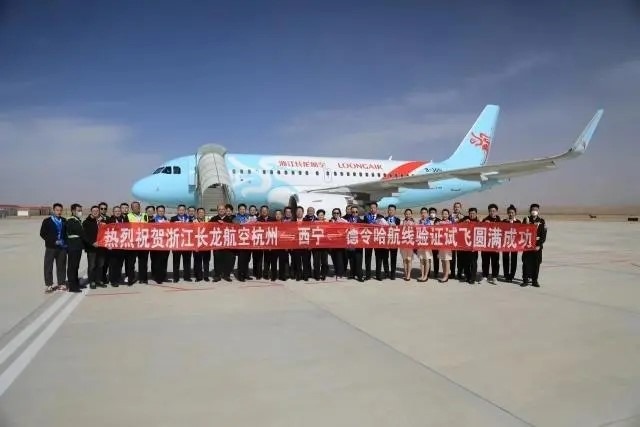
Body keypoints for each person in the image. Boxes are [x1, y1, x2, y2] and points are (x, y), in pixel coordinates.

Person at [40, 203, 68, 293]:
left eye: (60, 210)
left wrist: (66, 244)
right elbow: (43, 234)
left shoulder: (64, 220)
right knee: (48, 266)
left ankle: (61, 283)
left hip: (62, 248)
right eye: (57, 210)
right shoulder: (47, 221)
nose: (59, 212)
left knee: (61, 266)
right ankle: (49, 285)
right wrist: (53, 241)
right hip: (51, 247)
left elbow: (66, 234)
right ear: (53, 210)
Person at [66, 203, 91, 293]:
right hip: (73, 246)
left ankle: (76, 283)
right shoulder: (71, 220)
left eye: (81, 210)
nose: (80, 212)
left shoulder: (77, 220)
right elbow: (81, 233)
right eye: (78, 210)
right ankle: (72, 286)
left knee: (76, 266)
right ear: (73, 211)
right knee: (72, 266)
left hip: (77, 246)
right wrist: (91, 243)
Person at [522, 203, 547, 287]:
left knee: (536, 264)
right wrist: (526, 224)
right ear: (530, 210)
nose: (534, 211)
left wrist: (539, 245)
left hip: (537, 246)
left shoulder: (542, 221)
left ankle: (534, 281)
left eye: (536, 210)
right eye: (533, 209)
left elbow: (543, 235)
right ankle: (525, 280)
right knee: (526, 263)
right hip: (527, 246)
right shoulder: (526, 219)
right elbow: (521, 232)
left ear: (538, 211)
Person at [210, 203, 234, 281]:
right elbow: (208, 228)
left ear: (225, 210)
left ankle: (226, 275)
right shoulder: (213, 219)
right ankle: (217, 275)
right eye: (219, 209)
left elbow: (234, 229)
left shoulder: (230, 219)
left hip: (227, 243)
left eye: (223, 209)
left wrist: (224, 224)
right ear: (217, 210)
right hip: (217, 243)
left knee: (228, 259)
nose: (221, 210)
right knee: (217, 259)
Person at [83, 205, 105, 289]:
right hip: (91, 248)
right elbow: (84, 235)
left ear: (99, 212)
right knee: (92, 265)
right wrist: (92, 243)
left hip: (101, 247)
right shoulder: (86, 222)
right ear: (91, 212)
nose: (95, 212)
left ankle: (98, 280)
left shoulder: (103, 221)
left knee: (100, 265)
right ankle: (91, 281)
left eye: (97, 211)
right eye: (94, 211)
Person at [106, 206, 128, 286]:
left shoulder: (124, 220)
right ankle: (113, 280)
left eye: (119, 211)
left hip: (121, 245)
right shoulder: (109, 220)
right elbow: (106, 231)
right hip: (113, 245)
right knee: (113, 264)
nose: (117, 212)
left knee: (120, 263)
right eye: (116, 211)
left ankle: (118, 277)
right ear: (113, 212)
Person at [364, 202, 385, 280]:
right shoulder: (366, 217)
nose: (372, 209)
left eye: (374, 208)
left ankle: (378, 275)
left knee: (379, 257)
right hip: (368, 239)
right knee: (367, 258)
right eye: (371, 208)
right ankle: (368, 275)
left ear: (376, 208)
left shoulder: (381, 217)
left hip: (377, 239)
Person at [481, 203, 501, 284]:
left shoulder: (499, 220)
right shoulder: (485, 220)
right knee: (485, 261)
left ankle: (494, 277)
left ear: (496, 211)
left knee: (495, 262)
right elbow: (480, 230)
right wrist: (484, 224)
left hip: (495, 244)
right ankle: (485, 276)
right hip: (486, 245)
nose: (492, 212)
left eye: (494, 211)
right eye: (490, 211)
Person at [343, 205, 364, 282]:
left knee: (358, 260)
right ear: (351, 212)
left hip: (358, 243)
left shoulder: (361, 221)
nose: (354, 213)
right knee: (351, 260)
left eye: (356, 212)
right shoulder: (347, 221)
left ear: (358, 212)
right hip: (350, 243)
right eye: (353, 212)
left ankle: (360, 275)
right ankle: (352, 274)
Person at [127, 201, 145, 284]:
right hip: (133, 242)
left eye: (137, 206)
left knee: (142, 261)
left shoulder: (145, 215)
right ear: (131, 208)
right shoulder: (128, 216)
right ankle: (131, 278)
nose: (136, 208)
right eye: (134, 207)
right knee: (131, 262)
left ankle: (142, 278)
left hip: (143, 242)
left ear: (139, 207)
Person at [291, 206, 312, 281]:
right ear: (296, 213)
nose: (299, 212)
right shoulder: (292, 221)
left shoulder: (307, 221)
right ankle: (298, 275)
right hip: (296, 245)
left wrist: (310, 244)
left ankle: (305, 275)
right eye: (297, 211)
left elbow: (311, 232)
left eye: (300, 211)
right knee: (297, 261)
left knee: (306, 261)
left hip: (305, 244)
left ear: (303, 212)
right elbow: (290, 233)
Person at [461, 208, 480, 284]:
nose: (472, 215)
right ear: (468, 214)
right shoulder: (465, 219)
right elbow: (457, 225)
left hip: (474, 246)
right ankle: (467, 276)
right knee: (466, 262)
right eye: (470, 213)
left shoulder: (478, 222)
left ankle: (473, 278)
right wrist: (464, 222)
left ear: (476, 214)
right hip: (466, 245)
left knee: (473, 262)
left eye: (473, 213)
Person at [502, 205, 521, 282]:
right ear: (507, 213)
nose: (511, 214)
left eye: (512, 212)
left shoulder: (518, 222)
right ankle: (506, 275)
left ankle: (512, 275)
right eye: (509, 212)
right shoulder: (504, 221)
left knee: (514, 260)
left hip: (514, 244)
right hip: (506, 243)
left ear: (515, 213)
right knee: (505, 259)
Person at [151, 206, 169, 284]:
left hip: (165, 244)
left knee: (164, 261)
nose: (161, 212)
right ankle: (157, 277)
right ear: (156, 212)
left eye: (162, 211)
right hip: (155, 244)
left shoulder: (167, 221)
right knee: (157, 261)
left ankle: (163, 276)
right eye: (159, 211)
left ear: (164, 212)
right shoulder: (152, 221)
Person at [233, 204, 252, 281]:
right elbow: (234, 228)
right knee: (241, 259)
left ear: (245, 210)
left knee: (247, 259)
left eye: (243, 209)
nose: (242, 210)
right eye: (241, 209)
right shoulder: (236, 219)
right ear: (238, 210)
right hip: (240, 242)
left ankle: (246, 274)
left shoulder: (248, 218)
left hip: (248, 242)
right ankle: (240, 275)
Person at [192, 208, 211, 282]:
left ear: (204, 213)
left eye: (202, 212)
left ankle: (206, 276)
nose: (201, 214)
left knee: (206, 261)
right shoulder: (193, 222)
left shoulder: (208, 221)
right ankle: (198, 276)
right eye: (199, 212)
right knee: (197, 261)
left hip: (206, 244)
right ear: (197, 214)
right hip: (197, 244)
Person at [270, 209, 289, 281]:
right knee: (273, 262)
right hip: (274, 246)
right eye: (276, 214)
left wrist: (287, 246)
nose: (278, 215)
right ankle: (273, 276)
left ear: (282, 215)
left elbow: (287, 235)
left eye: (279, 214)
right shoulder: (271, 224)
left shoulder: (285, 224)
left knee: (282, 262)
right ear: (274, 216)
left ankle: (282, 275)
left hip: (282, 246)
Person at [311, 209, 330, 280]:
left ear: (324, 215)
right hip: (316, 245)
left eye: (322, 215)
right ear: (317, 216)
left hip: (324, 245)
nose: (320, 216)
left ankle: (323, 274)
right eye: (319, 215)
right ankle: (317, 275)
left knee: (324, 261)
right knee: (316, 262)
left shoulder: (327, 223)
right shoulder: (314, 223)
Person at [329, 208, 347, 278]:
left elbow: (348, 229)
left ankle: (340, 273)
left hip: (340, 243)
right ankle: (336, 271)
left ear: (340, 214)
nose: (336, 214)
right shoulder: (330, 221)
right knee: (334, 257)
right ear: (332, 214)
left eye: (337, 213)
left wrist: (341, 234)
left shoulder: (343, 221)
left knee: (339, 258)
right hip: (332, 243)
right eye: (334, 213)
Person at [252, 205, 270, 279]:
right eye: (263, 211)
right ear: (260, 212)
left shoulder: (272, 219)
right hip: (259, 242)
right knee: (259, 259)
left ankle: (266, 274)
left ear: (268, 211)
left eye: (265, 210)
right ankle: (258, 274)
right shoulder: (257, 219)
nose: (264, 212)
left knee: (267, 259)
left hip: (269, 242)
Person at [437, 208, 453, 283]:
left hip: (447, 244)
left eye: (446, 214)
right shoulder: (439, 222)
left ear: (448, 215)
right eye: (443, 214)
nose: (445, 215)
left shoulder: (450, 222)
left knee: (447, 260)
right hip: (441, 244)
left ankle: (446, 276)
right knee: (442, 260)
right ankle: (444, 274)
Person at [417, 208, 433, 282]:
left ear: (427, 213)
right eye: (422, 213)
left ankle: (426, 276)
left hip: (427, 244)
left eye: (425, 212)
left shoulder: (429, 222)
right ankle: (422, 274)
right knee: (421, 260)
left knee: (427, 259)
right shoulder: (419, 221)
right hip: (420, 243)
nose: (423, 214)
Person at [385, 204, 401, 280]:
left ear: (395, 211)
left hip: (394, 241)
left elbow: (400, 230)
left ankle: (393, 274)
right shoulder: (384, 219)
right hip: (386, 241)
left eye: (392, 210)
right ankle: (386, 272)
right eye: (389, 210)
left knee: (393, 258)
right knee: (385, 257)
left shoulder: (398, 220)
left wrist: (395, 226)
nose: (390, 211)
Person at [400, 209, 415, 281]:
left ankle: (409, 275)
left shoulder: (414, 222)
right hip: (403, 243)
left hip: (410, 244)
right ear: (404, 214)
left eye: (409, 214)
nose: (408, 215)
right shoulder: (402, 222)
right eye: (406, 214)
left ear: (411, 214)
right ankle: (406, 274)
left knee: (409, 259)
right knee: (404, 259)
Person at [451, 201, 464, 280]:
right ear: (453, 208)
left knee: (460, 258)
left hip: (460, 240)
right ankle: (452, 273)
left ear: (460, 208)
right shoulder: (450, 216)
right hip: (452, 238)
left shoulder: (463, 217)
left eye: (458, 207)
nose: (456, 208)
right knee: (452, 258)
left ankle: (459, 273)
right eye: (455, 207)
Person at [426, 207, 440, 278]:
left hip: (436, 242)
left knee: (436, 258)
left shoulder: (439, 221)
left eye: (433, 212)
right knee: (428, 257)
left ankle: (436, 272)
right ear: (429, 213)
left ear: (436, 213)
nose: (432, 214)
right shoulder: (426, 220)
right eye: (431, 212)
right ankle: (427, 272)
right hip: (428, 241)